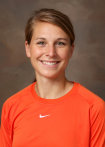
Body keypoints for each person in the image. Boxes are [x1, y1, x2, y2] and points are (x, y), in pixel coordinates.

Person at [0, 8, 105, 147]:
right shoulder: (12, 106)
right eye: (41, 43)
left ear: (71, 50)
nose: (51, 53)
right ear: (28, 48)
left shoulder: (94, 108)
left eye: (60, 43)